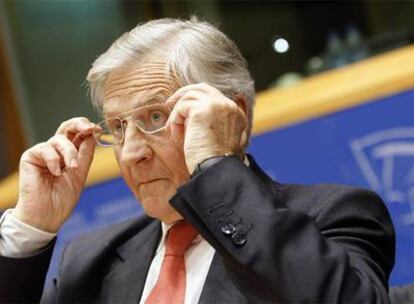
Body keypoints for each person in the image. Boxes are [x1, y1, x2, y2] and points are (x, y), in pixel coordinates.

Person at [0, 18, 395, 303]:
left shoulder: (334, 215)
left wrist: (215, 165)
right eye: (119, 127)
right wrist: (31, 228)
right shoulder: (89, 259)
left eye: (155, 117)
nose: (133, 153)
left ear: (231, 114)